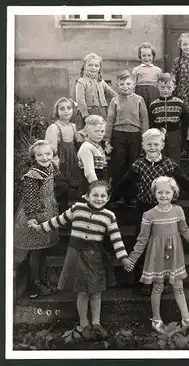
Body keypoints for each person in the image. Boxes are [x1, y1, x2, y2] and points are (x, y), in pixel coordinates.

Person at [29, 180, 131, 341]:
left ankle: (96, 323)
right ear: (87, 196)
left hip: (95, 257)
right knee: (82, 291)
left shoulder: (109, 216)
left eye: (103, 195)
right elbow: (58, 220)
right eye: (95, 195)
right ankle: (84, 323)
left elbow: (116, 238)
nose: (99, 198)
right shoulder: (77, 209)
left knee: (96, 291)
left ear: (108, 198)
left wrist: (123, 257)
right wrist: (39, 227)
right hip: (75, 255)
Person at [111, 128, 189, 295]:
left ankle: (165, 280)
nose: (152, 147)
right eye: (149, 144)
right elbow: (124, 184)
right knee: (142, 244)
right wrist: (110, 200)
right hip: (144, 209)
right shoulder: (139, 164)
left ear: (162, 145)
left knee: (165, 247)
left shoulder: (169, 164)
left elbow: (186, 183)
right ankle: (143, 281)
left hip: (166, 212)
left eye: (156, 144)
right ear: (143, 145)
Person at [124, 176, 189, 333]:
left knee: (178, 286)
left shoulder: (178, 210)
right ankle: (156, 319)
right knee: (158, 286)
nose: (163, 195)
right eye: (159, 192)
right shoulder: (149, 215)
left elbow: (186, 232)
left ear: (173, 193)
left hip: (175, 254)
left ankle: (187, 318)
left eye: (167, 192)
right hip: (157, 255)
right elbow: (142, 240)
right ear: (154, 193)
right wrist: (132, 259)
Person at [14, 140, 59, 298]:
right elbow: (29, 198)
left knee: (43, 250)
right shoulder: (32, 176)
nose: (45, 157)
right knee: (35, 251)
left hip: (48, 212)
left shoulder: (51, 167)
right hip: (33, 216)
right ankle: (35, 283)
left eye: (48, 154)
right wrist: (32, 218)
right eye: (40, 155)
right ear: (34, 157)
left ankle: (41, 279)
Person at [105, 70, 149, 206]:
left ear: (134, 84)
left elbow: (144, 119)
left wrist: (145, 138)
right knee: (119, 165)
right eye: (122, 84)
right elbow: (110, 120)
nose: (125, 86)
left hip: (135, 135)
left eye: (128, 83)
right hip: (118, 135)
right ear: (117, 85)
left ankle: (132, 195)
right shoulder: (115, 101)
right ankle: (118, 195)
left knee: (133, 165)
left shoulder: (139, 100)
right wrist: (107, 139)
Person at [45, 97, 82, 212]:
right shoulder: (54, 128)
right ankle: (60, 216)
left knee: (73, 187)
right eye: (62, 109)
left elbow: (79, 142)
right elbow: (51, 149)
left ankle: (70, 214)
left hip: (72, 161)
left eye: (69, 108)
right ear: (57, 111)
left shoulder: (73, 126)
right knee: (62, 189)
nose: (66, 111)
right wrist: (55, 164)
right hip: (61, 162)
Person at [149, 73, 189, 163]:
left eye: (169, 87)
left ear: (174, 87)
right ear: (157, 86)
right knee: (160, 158)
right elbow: (151, 122)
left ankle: (173, 177)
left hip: (175, 134)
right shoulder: (154, 104)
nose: (165, 90)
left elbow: (188, 119)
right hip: (159, 135)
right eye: (162, 87)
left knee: (174, 160)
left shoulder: (179, 103)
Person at [74, 53, 117, 132]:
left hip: (103, 113)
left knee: (101, 132)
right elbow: (80, 101)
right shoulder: (81, 82)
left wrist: (122, 99)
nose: (93, 68)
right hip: (89, 113)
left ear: (99, 68)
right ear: (84, 66)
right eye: (90, 65)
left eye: (96, 66)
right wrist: (85, 116)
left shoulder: (101, 81)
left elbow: (111, 94)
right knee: (90, 133)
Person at [77, 115, 109, 196]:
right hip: (90, 183)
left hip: (100, 181)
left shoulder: (97, 146)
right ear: (87, 131)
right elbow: (89, 172)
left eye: (102, 131)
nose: (100, 134)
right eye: (96, 131)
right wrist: (97, 189)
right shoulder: (87, 147)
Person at [131, 42, 162, 123]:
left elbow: (160, 84)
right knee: (142, 112)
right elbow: (133, 84)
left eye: (149, 55)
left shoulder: (157, 70)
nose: (146, 58)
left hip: (153, 93)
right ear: (140, 57)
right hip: (140, 92)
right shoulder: (136, 69)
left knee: (153, 112)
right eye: (144, 55)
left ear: (153, 56)